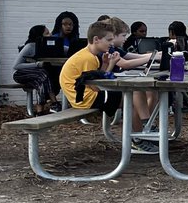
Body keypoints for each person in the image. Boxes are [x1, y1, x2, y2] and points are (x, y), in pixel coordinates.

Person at [59, 21, 156, 154]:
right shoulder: (87, 58)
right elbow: (95, 86)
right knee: (134, 93)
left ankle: (142, 134)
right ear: (96, 39)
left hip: (88, 95)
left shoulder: (91, 55)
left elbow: (98, 77)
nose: (111, 43)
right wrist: (110, 67)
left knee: (135, 95)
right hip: (85, 99)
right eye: (109, 40)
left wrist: (107, 64)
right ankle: (144, 130)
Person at [12, 24, 58, 113]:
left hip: (38, 75)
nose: (50, 35)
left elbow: (64, 49)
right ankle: (54, 103)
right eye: (47, 33)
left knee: (40, 81)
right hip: (20, 74)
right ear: (39, 36)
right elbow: (16, 66)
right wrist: (37, 65)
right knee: (43, 73)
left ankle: (39, 110)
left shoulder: (48, 45)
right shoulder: (30, 47)